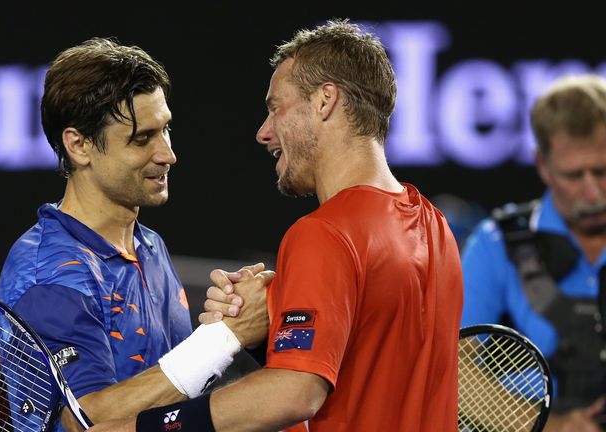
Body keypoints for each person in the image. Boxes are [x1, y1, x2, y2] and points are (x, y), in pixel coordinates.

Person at [90, 18, 464, 432]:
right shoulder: (433, 225)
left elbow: (296, 392)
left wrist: (145, 428)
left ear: (325, 101)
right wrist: (273, 323)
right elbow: (374, 368)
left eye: (275, 108)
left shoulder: (324, 233)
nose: (263, 132)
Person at [0, 37, 271, 432]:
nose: (167, 154)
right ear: (79, 145)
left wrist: (234, 326)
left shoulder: (150, 246)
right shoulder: (51, 275)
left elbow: (176, 392)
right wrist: (225, 338)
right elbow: (88, 420)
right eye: (142, 138)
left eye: (166, 130)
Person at [460, 74, 606, 431]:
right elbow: (452, 372)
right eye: (574, 176)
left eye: (603, 171)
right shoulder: (494, 245)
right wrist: (551, 426)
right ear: (542, 165)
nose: (593, 193)